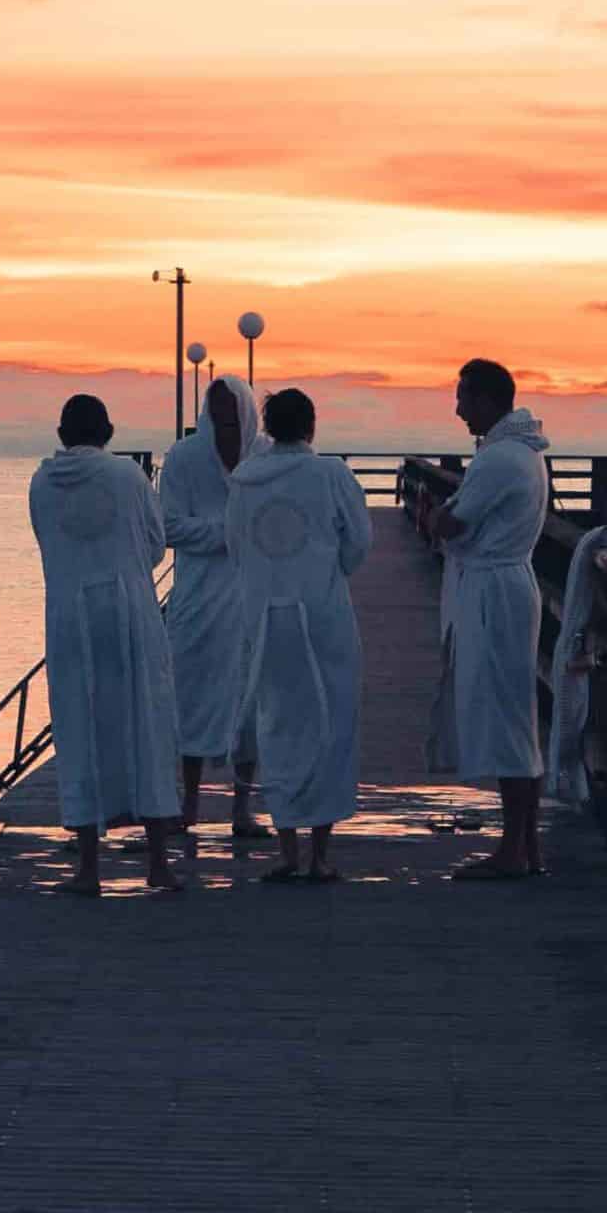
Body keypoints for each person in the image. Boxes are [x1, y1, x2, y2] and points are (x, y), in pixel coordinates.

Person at [28, 393, 187, 896]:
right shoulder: (127, 477)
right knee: (148, 725)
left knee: (79, 729)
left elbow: (47, 543)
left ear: (61, 435)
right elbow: (156, 541)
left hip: (69, 617)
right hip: (128, 611)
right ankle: (159, 862)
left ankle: (89, 869)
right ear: (109, 431)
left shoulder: (40, 483)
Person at [225, 387, 370, 882]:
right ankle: (320, 854)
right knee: (330, 721)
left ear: (268, 427)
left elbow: (235, 547)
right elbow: (359, 542)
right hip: (322, 614)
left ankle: (287, 849)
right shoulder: (330, 474)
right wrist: (328, 574)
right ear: (311, 426)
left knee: (277, 724)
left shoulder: (243, 481)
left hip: (265, 617)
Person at [412, 358, 550, 879]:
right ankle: (526, 846)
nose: (457, 409)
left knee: (505, 717)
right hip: (511, 582)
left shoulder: (499, 460)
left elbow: (453, 523)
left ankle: (512, 851)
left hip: (495, 590)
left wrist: (433, 517)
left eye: (464, 397)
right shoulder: (526, 455)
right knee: (515, 713)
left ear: (490, 401)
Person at [160, 374, 266, 843]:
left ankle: (243, 807)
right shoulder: (183, 458)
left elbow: (276, 524)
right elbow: (167, 527)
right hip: (198, 599)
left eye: (233, 416)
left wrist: (242, 534)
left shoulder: (265, 457)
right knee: (191, 697)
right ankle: (189, 803)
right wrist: (229, 532)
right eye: (218, 415)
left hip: (252, 598)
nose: (227, 425)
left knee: (251, 702)